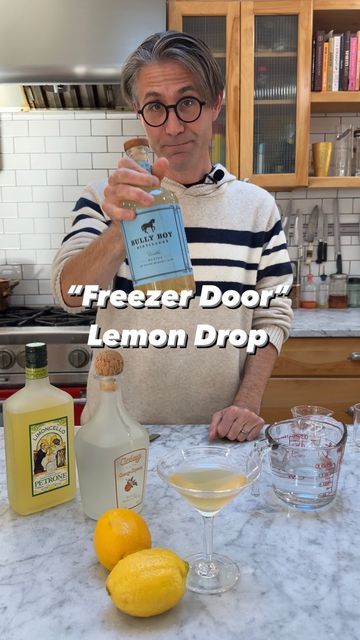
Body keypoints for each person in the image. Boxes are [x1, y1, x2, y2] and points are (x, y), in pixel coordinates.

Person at [51, 30, 293, 441]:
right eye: (155, 108)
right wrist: (122, 228)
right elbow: (69, 294)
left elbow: (272, 315)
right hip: (115, 437)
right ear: (138, 111)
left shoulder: (257, 208)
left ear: (215, 102)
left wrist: (248, 402)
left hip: (216, 439)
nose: (174, 125)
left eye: (187, 102)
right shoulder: (103, 200)